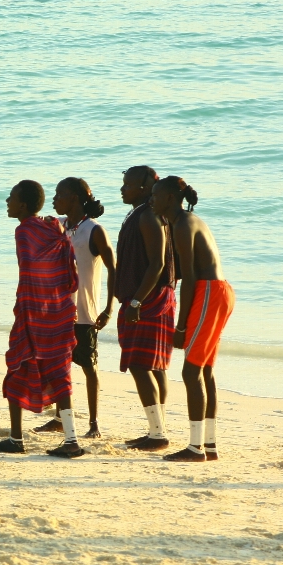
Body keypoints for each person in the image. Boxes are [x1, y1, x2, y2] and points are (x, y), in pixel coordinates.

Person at [0, 180, 83, 458]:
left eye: (11, 197)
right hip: (60, 309)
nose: (7, 200)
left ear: (23, 205)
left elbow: (30, 272)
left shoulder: (24, 230)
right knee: (60, 371)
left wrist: (26, 310)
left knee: (18, 364)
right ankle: (71, 440)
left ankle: (16, 439)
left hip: (34, 311)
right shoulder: (53, 227)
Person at [151, 177, 235, 462]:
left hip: (209, 291)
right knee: (205, 371)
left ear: (171, 198)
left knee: (191, 371)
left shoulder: (184, 225)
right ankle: (208, 446)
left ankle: (195, 448)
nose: (151, 200)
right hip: (219, 290)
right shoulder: (183, 221)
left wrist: (181, 326)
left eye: (156, 195)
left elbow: (190, 279)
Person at [33, 178, 115, 438]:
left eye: (60, 194)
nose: (54, 199)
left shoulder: (94, 230)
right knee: (60, 366)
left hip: (85, 311)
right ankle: (59, 417)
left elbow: (114, 269)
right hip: (58, 310)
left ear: (75, 199)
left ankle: (93, 423)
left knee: (89, 367)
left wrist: (108, 309)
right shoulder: (60, 226)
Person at [115, 166, 177, 451]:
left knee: (142, 365)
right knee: (155, 366)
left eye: (127, 184)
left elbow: (158, 264)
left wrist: (137, 301)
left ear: (143, 188)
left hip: (149, 299)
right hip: (148, 297)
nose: (122, 189)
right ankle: (157, 429)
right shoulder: (140, 213)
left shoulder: (149, 216)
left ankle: (157, 434)